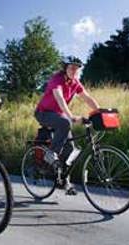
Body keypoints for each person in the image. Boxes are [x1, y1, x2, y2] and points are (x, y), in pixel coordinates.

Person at [35, 55, 100, 195]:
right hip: (43, 113)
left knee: (70, 149)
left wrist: (99, 111)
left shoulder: (75, 82)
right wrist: (70, 116)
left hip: (58, 115)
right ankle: (50, 154)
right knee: (65, 123)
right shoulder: (56, 79)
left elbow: (87, 98)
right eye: (71, 68)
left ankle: (64, 181)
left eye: (77, 69)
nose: (74, 71)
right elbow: (59, 98)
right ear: (65, 68)